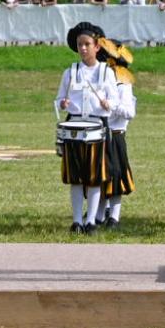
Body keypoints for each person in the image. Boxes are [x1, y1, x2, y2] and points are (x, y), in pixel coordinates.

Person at [55, 22, 117, 235]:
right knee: (75, 177)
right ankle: (76, 221)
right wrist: (62, 103)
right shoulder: (70, 72)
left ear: (97, 47)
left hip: (97, 126)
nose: (83, 48)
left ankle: (91, 220)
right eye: (80, 44)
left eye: (87, 44)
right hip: (74, 126)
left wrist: (108, 104)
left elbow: (115, 100)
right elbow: (59, 99)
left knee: (94, 177)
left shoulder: (106, 72)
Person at [96, 38, 136, 229]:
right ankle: (98, 214)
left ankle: (114, 216)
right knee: (99, 176)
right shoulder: (101, 80)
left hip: (115, 135)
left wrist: (111, 106)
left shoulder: (122, 83)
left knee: (116, 176)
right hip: (99, 134)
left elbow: (129, 112)